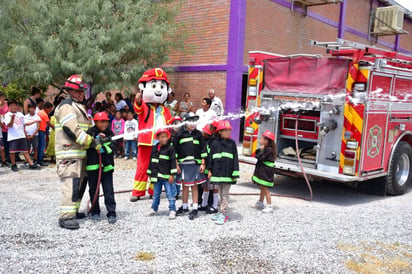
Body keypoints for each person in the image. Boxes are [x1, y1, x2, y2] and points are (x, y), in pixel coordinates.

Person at [55, 74, 95, 230]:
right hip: (69, 153)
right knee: (71, 185)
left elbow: (85, 128)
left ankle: (74, 210)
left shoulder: (78, 106)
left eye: (82, 91)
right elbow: (72, 129)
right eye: (78, 91)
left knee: (80, 184)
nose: (81, 94)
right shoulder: (66, 106)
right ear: (69, 91)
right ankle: (66, 217)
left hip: (79, 153)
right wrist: (90, 141)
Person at [131, 68, 172, 201]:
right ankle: (137, 192)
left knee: (157, 167)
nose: (158, 90)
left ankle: (154, 190)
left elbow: (171, 123)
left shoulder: (165, 109)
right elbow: (137, 108)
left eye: (161, 86)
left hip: (160, 144)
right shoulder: (145, 106)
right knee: (142, 167)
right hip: (146, 142)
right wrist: (137, 100)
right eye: (154, 86)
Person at [174, 113, 207, 220]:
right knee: (184, 186)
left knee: (194, 186)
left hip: (195, 164)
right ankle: (184, 206)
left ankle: (195, 207)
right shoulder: (179, 134)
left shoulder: (198, 134)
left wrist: (202, 163)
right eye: (190, 121)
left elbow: (203, 149)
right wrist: (176, 164)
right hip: (183, 164)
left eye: (194, 121)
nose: (193, 124)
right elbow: (175, 150)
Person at [86, 112, 117, 224]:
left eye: (106, 121)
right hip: (93, 166)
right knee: (94, 190)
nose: (104, 124)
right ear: (96, 122)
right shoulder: (90, 132)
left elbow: (114, 146)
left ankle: (111, 212)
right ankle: (95, 211)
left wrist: (103, 147)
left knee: (108, 190)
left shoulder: (110, 133)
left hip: (107, 167)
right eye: (101, 121)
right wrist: (94, 144)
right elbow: (87, 145)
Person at [208, 120, 239, 225]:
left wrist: (235, 173)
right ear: (220, 131)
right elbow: (210, 157)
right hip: (217, 173)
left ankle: (224, 214)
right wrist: (210, 170)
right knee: (220, 193)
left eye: (229, 130)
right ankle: (220, 211)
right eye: (225, 130)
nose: (228, 132)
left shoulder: (232, 143)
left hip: (227, 174)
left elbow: (235, 159)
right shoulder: (215, 143)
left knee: (225, 194)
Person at [145, 128, 178, 220]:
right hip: (156, 176)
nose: (164, 139)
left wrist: (172, 175)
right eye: (162, 137)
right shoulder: (154, 148)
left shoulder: (170, 149)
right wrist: (150, 174)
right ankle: (153, 209)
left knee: (170, 194)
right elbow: (151, 161)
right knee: (156, 194)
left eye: (165, 137)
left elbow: (172, 162)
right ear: (158, 138)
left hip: (167, 177)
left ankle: (172, 209)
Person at [4, 100, 41, 171]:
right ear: (9, 107)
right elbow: (9, 125)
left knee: (25, 150)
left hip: (21, 135)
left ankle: (31, 164)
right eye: (11, 106)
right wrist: (12, 118)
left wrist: (34, 121)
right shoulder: (7, 115)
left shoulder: (20, 114)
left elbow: (25, 123)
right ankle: (13, 164)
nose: (13, 107)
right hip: (13, 136)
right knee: (12, 151)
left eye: (14, 105)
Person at [252, 130, 277, 213]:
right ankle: (260, 202)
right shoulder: (267, 149)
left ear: (266, 141)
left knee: (265, 188)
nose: (260, 140)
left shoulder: (268, 150)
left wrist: (259, 150)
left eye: (262, 139)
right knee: (262, 187)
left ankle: (269, 205)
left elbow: (260, 157)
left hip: (266, 172)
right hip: (263, 170)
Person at [199, 124, 219, 214]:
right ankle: (204, 204)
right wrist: (203, 163)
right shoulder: (206, 143)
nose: (203, 133)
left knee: (215, 187)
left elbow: (212, 157)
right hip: (207, 168)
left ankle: (214, 205)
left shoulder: (214, 143)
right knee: (206, 186)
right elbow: (204, 153)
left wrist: (210, 169)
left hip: (214, 169)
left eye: (205, 132)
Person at [169, 116, 183, 199]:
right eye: (175, 123)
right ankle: (173, 193)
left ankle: (177, 192)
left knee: (178, 177)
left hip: (180, 159)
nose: (177, 126)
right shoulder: (169, 137)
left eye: (178, 123)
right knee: (172, 177)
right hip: (171, 160)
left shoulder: (182, 135)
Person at [37, 102, 54, 166]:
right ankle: (40, 160)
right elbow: (49, 123)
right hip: (41, 130)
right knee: (42, 146)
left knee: (39, 146)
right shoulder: (44, 114)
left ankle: (39, 159)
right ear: (47, 108)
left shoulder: (40, 112)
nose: (50, 111)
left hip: (39, 130)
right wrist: (55, 128)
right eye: (50, 109)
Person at [0, 92, 10, 166]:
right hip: (1, 126)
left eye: (2, 97)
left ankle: (7, 158)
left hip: (6, 125)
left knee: (6, 143)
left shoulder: (7, 104)